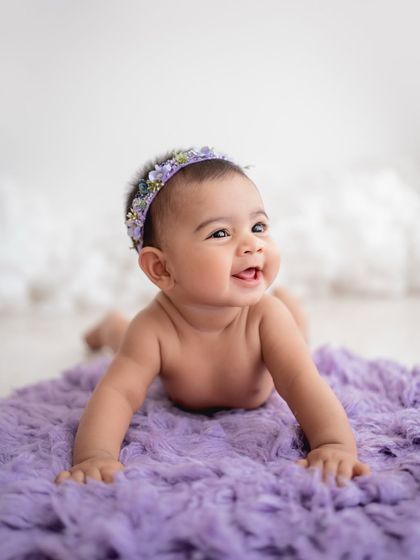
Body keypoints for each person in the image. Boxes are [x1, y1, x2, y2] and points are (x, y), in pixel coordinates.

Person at [55, 146, 371, 486]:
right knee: (126, 343)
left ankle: (293, 304)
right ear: (161, 268)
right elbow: (118, 393)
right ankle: (110, 325)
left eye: (259, 225)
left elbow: (300, 381)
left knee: (295, 333)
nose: (252, 244)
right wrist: (95, 457)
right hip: (155, 348)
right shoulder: (154, 328)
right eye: (221, 233)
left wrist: (333, 444)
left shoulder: (265, 317)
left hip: (274, 346)